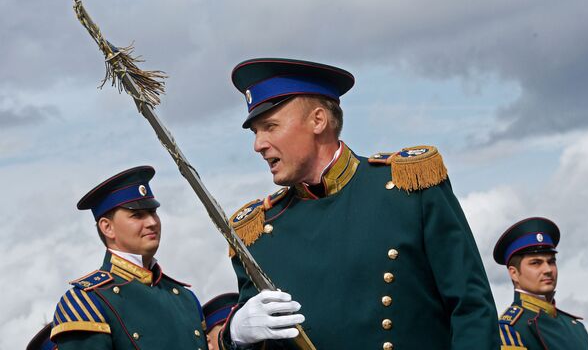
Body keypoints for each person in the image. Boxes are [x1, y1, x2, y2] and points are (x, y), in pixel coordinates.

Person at [218, 58, 500, 349]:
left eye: (270, 127)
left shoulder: (409, 189)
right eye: (256, 133)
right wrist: (236, 337)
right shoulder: (259, 233)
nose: (258, 144)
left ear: (318, 120)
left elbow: (471, 310)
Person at [49, 166, 209, 349]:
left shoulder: (185, 299)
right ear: (107, 227)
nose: (151, 222)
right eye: (137, 215)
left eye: (153, 212)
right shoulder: (86, 303)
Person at [494, 217, 588, 349]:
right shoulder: (509, 328)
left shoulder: (576, 327)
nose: (547, 270)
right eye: (536, 263)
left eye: (551, 262)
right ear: (514, 273)